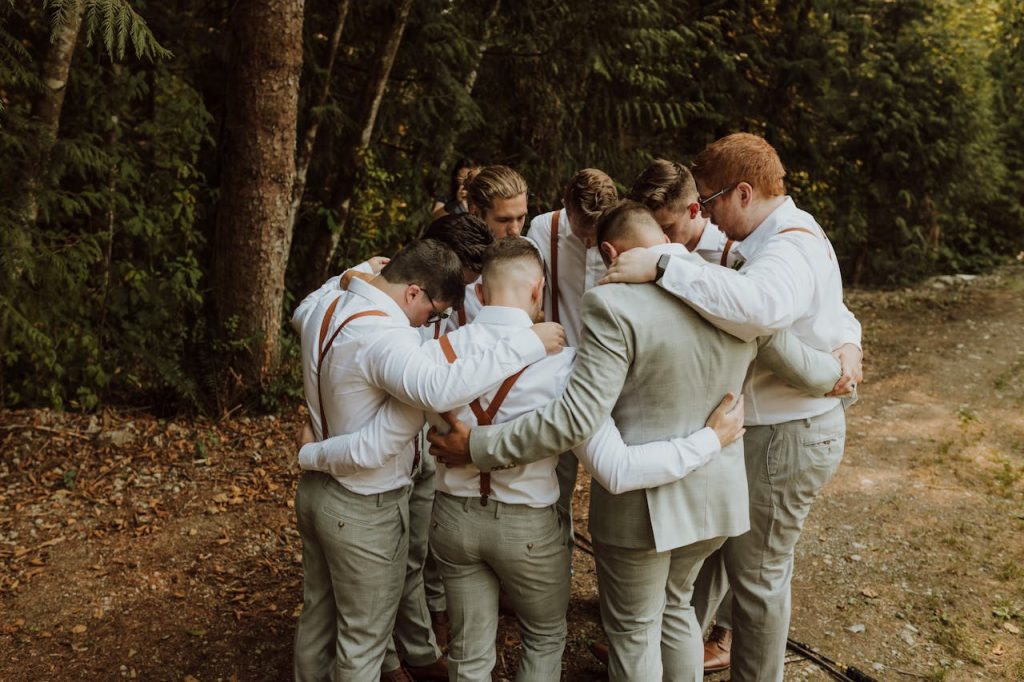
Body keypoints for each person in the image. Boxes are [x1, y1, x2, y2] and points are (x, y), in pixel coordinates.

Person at [427, 202, 843, 681]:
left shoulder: (612, 305)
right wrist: (843, 368)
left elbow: (575, 417)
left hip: (639, 507)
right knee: (678, 610)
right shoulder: (732, 294)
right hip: (713, 495)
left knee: (633, 629)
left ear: (609, 252)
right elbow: (806, 366)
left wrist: (477, 447)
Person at [601, 133, 864, 682]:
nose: (710, 216)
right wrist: (850, 343)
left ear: (743, 192)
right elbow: (832, 312)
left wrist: (666, 266)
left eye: (714, 199)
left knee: (760, 581)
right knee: (737, 570)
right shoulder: (787, 234)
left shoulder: (786, 245)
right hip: (776, 425)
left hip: (786, 432)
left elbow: (760, 309)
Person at [290, 239, 564, 682]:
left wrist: (356, 269)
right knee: (361, 642)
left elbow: (308, 300)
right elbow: (436, 390)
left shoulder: (322, 306)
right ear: (413, 292)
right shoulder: (389, 339)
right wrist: (529, 344)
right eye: (433, 313)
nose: (429, 326)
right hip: (363, 504)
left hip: (316, 497)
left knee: (318, 616)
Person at [524, 167, 619, 547]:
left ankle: (610, 559)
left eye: (599, 232)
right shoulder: (542, 230)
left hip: (613, 372)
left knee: (614, 479)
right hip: (557, 374)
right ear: (565, 207)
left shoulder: (623, 228)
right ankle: (553, 558)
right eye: (585, 233)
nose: (593, 241)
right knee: (555, 475)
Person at [627, 158, 739, 266]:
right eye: (650, 229)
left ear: (693, 210)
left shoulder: (735, 252)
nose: (659, 237)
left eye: (665, 228)